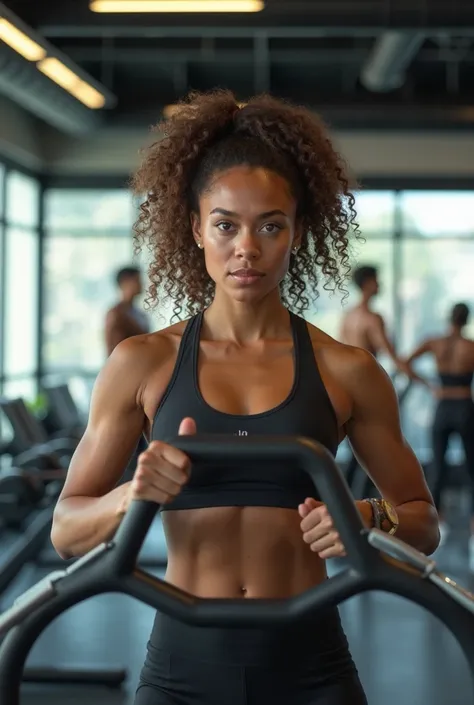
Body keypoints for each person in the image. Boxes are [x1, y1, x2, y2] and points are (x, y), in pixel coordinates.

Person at [51, 90, 439, 705]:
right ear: (195, 228)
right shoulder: (142, 364)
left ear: (298, 232)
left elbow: (423, 520)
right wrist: (135, 493)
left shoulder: (348, 369)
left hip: (311, 665)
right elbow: (67, 532)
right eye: (226, 225)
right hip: (181, 668)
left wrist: (367, 518)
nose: (246, 249)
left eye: (270, 226)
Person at [339, 265, 423, 495]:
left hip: (345, 387)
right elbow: (391, 355)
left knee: (358, 453)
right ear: (367, 283)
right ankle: (357, 513)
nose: (380, 284)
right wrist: (423, 381)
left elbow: (339, 351)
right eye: (377, 280)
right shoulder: (373, 318)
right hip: (365, 389)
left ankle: (342, 508)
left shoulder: (348, 316)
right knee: (371, 454)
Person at [404, 302, 474, 563]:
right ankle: (472, 523)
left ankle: (436, 519)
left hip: (442, 406)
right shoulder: (470, 347)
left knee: (438, 463)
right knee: (472, 465)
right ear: (466, 321)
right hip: (465, 406)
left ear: (449, 318)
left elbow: (406, 362)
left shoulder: (435, 343)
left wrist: (428, 384)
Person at [105, 266, 150, 356]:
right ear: (124, 283)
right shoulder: (115, 314)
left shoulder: (139, 313)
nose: (141, 284)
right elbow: (113, 350)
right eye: (137, 280)